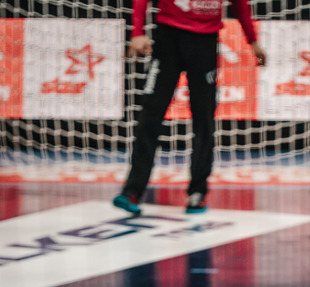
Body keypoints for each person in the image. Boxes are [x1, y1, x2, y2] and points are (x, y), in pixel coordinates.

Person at [113, 0, 266, 216]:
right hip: (168, 39)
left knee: (204, 121)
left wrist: (253, 41)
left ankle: (197, 193)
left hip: (205, 43)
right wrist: (137, 32)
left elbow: (240, 4)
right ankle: (132, 191)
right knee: (150, 117)